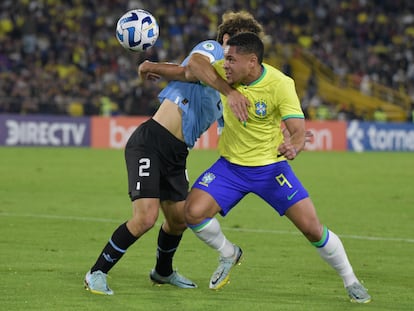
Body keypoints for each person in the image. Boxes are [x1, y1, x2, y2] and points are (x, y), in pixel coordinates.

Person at [84, 11, 264, 295]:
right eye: (241, 42)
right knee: (145, 218)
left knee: (178, 219)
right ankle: (96, 272)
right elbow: (193, 65)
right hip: (151, 142)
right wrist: (227, 92)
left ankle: (162, 272)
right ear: (228, 39)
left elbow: (186, 75)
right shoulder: (214, 50)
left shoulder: (228, 85)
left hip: (178, 154)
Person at [183, 32, 372, 304]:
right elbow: (194, 64)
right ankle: (228, 253)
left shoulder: (280, 84)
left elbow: (298, 130)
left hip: (271, 170)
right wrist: (229, 91)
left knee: (312, 229)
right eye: (225, 59)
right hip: (230, 168)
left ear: (252, 62)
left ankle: (351, 280)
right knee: (193, 213)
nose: (225, 64)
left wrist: (294, 145)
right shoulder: (225, 75)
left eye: (231, 60)